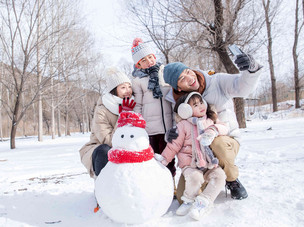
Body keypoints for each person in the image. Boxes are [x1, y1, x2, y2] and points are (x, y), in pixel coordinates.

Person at [163, 53, 263, 201]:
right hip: (197, 153)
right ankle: (209, 180)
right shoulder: (177, 102)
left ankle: (231, 179)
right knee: (182, 197)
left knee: (217, 144)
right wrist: (170, 135)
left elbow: (242, 87)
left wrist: (251, 70)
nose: (190, 78)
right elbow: (177, 128)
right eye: (182, 78)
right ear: (177, 87)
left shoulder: (217, 81)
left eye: (188, 72)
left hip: (224, 140)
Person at [155, 92, 228, 220]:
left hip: (209, 163)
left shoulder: (210, 120)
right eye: (195, 104)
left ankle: (203, 202)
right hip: (190, 164)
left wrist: (213, 130)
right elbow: (174, 145)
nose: (201, 106)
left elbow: (224, 127)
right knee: (195, 178)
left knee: (220, 176)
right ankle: (188, 201)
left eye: (201, 102)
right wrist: (165, 159)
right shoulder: (182, 125)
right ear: (186, 110)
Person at [130, 38, 176, 177]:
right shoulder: (138, 80)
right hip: (150, 128)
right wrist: (139, 126)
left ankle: (170, 184)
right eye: (144, 60)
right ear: (138, 64)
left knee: (168, 158)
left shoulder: (165, 72)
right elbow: (138, 104)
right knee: (153, 158)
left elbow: (173, 97)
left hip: (167, 125)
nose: (149, 61)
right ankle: (156, 185)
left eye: (150, 57)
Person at [79, 71, 136, 178]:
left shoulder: (134, 104)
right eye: (123, 87)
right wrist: (123, 116)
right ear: (114, 90)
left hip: (127, 146)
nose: (128, 91)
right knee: (105, 151)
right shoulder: (102, 110)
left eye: (129, 86)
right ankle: (102, 187)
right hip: (101, 148)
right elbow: (108, 140)